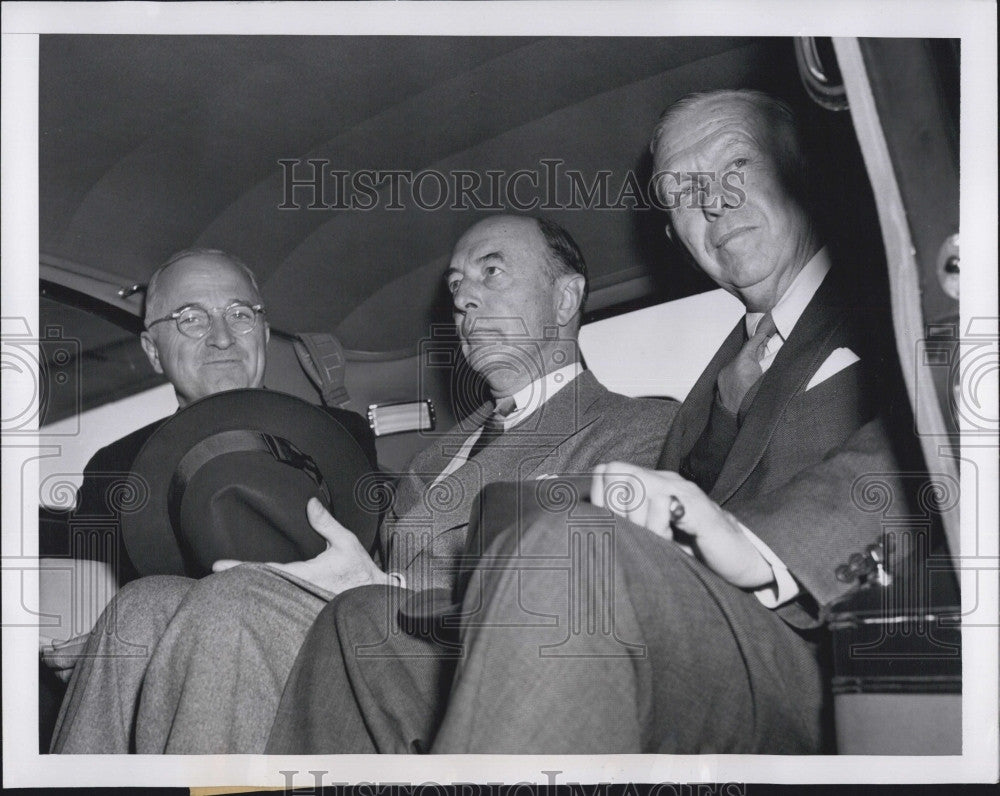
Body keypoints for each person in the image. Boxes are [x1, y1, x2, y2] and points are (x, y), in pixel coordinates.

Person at [267, 89, 924, 754]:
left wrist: (764, 549)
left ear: (801, 168)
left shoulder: (909, 298)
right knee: (361, 625)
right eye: (680, 190)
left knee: (572, 549)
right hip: (679, 631)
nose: (712, 201)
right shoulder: (714, 388)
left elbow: (939, 446)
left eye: (736, 165)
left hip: (831, 656)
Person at [49, 215, 678, 753]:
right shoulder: (437, 459)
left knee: (232, 604)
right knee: (143, 605)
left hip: (464, 671)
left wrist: (387, 590)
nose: (463, 299)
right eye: (457, 285)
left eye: (491, 273)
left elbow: (592, 610)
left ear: (566, 298)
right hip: (362, 637)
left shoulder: (633, 428)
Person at [43, 248, 376, 585]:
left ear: (263, 333)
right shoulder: (114, 470)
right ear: (153, 351)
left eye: (240, 315)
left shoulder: (341, 438)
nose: (221, 338)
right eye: (191, 318)